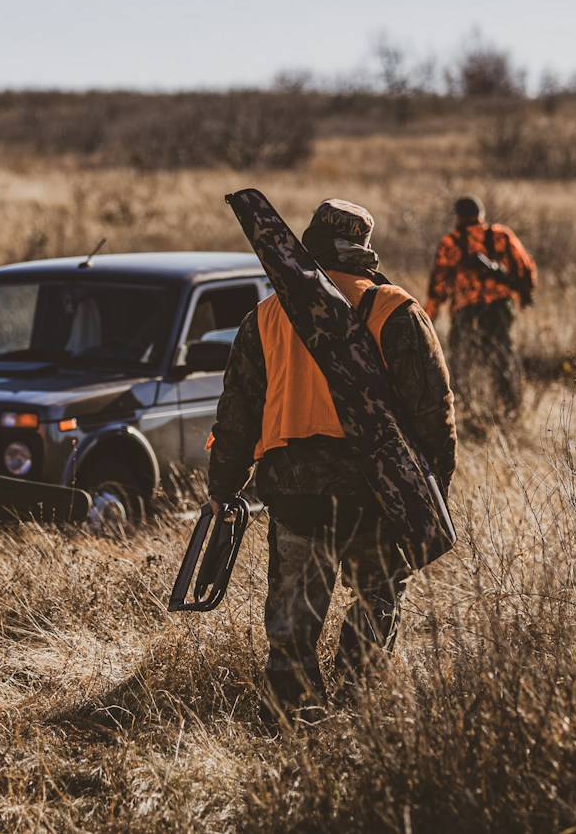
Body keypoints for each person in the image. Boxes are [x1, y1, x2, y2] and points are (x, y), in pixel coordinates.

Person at [207, 199, 457, 722]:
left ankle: (295, 718)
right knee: (378, 599)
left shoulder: (269, 315)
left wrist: (225, 484)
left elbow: (237, 413)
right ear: (364, 249)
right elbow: (436, 412)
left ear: (310, 243)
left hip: (295, 492)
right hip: (377, 491)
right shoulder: (397, 309)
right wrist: (431, 496)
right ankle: (357, 702)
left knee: (293, 622)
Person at [423, 196, 537, 420]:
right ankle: (510, 407)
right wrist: (525, 295)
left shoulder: (451, 242)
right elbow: (525, 267)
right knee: (502, 354)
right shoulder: (501, 235)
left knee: (461, 358)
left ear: (458, 217)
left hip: (466, 309)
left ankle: (460, 407)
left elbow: (439, 284)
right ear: (481, 215)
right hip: (500, 307)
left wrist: (428, 317)